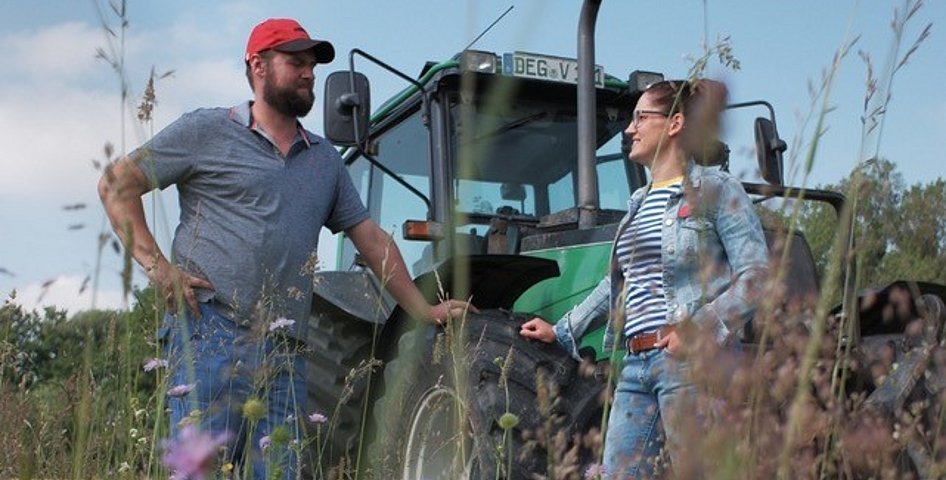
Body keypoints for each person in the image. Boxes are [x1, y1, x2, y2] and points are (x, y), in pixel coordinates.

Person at [98, 17, 474, 479]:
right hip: (210, 331)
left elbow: (372, 239)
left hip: (285, 350)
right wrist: (158, 269)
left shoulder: (324, 161)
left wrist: (423, 310)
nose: (309, 73)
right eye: (296, 62)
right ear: (257, 65)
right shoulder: (206, 131)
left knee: (277, 472)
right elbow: (117, 186)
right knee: (201, 471)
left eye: (312, 65)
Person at [519, 79, 769, 478]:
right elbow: (618, 285)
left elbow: (757, 277)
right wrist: (564, 330)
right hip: (635, 365)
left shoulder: (717, 189)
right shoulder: (636, 205)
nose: (629, 129)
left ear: (674, 125)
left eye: (640, 117)